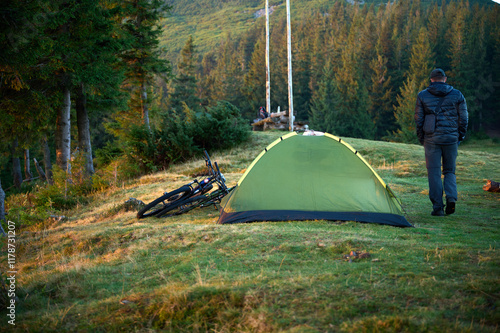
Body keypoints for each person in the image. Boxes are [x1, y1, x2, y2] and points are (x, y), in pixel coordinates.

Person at [415, 68, 468, 216]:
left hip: (431, 139)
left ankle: (438, 208)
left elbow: (418, 119)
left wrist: (422, 138)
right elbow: (464, 118)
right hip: (451, 138)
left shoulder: (422, 95)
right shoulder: (457, 95)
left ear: (431, 80)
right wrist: (459, 136)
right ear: (444, 79)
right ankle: (451, 197)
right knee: (450, 170)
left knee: (434, 172)